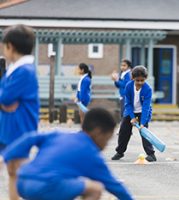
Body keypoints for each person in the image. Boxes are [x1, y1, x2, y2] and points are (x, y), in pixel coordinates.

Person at [0, 108, 133, 200]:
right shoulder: (91, 154)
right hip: (46, 186)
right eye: (107, 139)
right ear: (98, 133)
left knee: (70, 182)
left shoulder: (59, 134)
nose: (106, 145)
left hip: (23, 181)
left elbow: (30, 138)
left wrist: (4, 156)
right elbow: (115, 187)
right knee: (95, 188)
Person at [0, 24, 39, 200]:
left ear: (10, 46)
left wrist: (5, 99)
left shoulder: (24, 71)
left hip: (20, 127)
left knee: (19, 169)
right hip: (10, 126)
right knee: (13, 169)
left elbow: (6, 97)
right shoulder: (14, 69)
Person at [111, 65, 156, 162]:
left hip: (143, 113)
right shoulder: (128, 86)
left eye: (142, 80)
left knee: (144, 133)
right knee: (123, 131)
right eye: (137, 80)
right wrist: (132, 117)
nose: (140, 83)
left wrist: (142, 123)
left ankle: (151, 154)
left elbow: (146, 107)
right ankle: (120, 152)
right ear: (133, 78)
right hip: (130, 111)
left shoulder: (148, 89)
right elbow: (128, 104)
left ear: (145, 79)